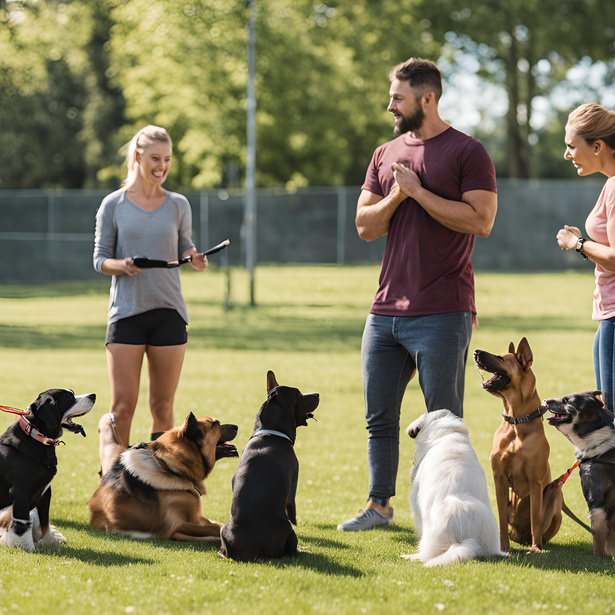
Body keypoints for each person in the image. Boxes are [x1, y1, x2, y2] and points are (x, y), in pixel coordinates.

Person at [337, 58, 498, 531]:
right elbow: (366, 227)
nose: (390, 105)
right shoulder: (384, 153)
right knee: (379, 417)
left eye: (398, 98)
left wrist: (419, 191)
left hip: (444, 309)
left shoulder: (468, 152)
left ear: (427, 98)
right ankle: (379, 506)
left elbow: (481, 221)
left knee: (445, 422)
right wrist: (397, 196)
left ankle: (445, 514)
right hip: (385, 309)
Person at [93, 125, 208, 471]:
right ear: (138, 157)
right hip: (126, 314)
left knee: (163, 407)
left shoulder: (178, 204)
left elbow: (184, 244)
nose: (162, 166)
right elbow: (99, 259)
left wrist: (194, 256)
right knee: (122, 406)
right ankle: (114, 481)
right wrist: (122, 265)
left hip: (169, 313)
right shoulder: (113, 204)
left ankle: (159, 485)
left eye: (168, 159)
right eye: (155, 159)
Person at [556, 103, 615, 411]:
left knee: (613, 418)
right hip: (607, 312)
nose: (567, 155)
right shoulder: (609, 184)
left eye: (571, 146)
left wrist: (578, 243)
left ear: (597, 145)